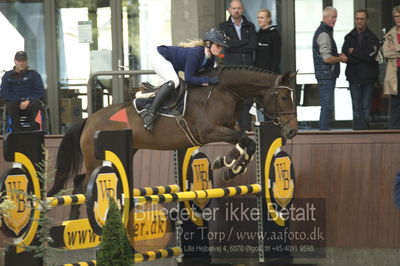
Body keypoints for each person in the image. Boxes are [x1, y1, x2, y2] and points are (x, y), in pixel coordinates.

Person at [141, 28, 227, 130]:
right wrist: (208, 81)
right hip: (159, 56)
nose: (220, 48)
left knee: (179, 87)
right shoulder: (196, 53)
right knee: (175, 81)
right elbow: (189, 79)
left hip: (172, 63)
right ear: (208, 44)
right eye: (218, 45)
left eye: (221, 46)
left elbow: (205, 76)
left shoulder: (211, 58)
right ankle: (149, 113)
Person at [219, 0, 257, 132]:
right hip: (232, 70)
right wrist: (244, 42)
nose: (236, 11)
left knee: (247, 100)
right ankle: (233, 130)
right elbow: (227, 45)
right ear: (229, 10)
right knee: (233, 100)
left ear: (242, 9)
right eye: (234, 8)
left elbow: (253, 46)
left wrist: (236, 44)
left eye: (239, 8)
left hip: (247, 69)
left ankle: (246, 129)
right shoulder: (223, 27)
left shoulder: (250, 26)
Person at [342, 9, 379, 130]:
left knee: (366, 107)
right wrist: (357, 56)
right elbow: (345, 56)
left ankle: (365, 135)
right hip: (354, 78)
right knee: (356, 108)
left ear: (367, 21)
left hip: (368, 79)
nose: (359, 21)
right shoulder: (349, 37)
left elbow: (370, 57)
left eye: (362, 19)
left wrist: (354, 53)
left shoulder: (373, 38)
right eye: (357, 18)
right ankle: (357, 134)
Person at [312, 6, 348, 130]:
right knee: (326, 106)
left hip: (325, 74)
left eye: (336, 17)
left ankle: (324, 132)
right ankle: (323, 134)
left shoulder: (324, 31)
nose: (335, 20)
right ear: (325, 17)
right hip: (326, 75)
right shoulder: (324, 34)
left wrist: (336, 56)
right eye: (332, 17)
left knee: (326, 106)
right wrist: (341, 59)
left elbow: (325, 54)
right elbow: (326, 58)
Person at [0, 51, 45, 132]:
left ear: (26, 62)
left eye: (23, 61)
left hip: (31, 103)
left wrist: (28, 100)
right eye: (19, 61)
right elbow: (4, 92)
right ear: (15, 61)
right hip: (14, 103)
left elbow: (40, 91)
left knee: (36, 104)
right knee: (11, 105)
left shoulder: (34, 74)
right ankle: (17, 133)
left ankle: (34, 132)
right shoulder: (7, 75)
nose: (21, 63)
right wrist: (19, 101)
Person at [383, 5, 400, 129]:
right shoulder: (390, 33)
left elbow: (392, 51)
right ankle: (394, 130)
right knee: (395, 102)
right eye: (395, 16)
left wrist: (397, 48)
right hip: (395, 72)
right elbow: (386, 53)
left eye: (399, 16)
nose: (397, 19)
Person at [254, 8, 281, 73]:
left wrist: (272, 72)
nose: (259, 20)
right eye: (258, 18)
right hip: (257, 72)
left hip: (270, 73)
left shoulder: (274, 34)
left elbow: (276, 56)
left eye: (262, 18)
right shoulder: (257, 34)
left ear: (268, 19)